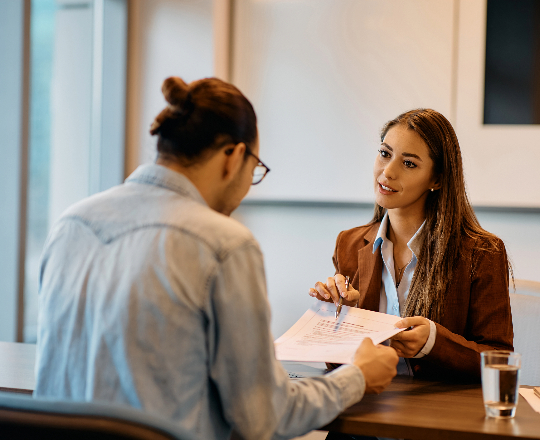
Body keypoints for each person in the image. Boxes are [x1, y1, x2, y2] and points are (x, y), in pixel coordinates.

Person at [34, 76, 398, 440]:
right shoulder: (223, 244)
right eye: (254, 169)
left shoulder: (71, 224)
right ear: (234, 156)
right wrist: (358, 376)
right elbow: (264, 417)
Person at [309, 108, 513, 382]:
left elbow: (500, 361)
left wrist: (434, 344)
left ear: (437, 179)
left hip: (436, 415)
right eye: (385, 154)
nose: (388, 171)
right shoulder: (349, 243)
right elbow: (337, 366)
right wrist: (340, 317)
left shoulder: (481, 252)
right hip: (365, 406)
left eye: (409, 164)